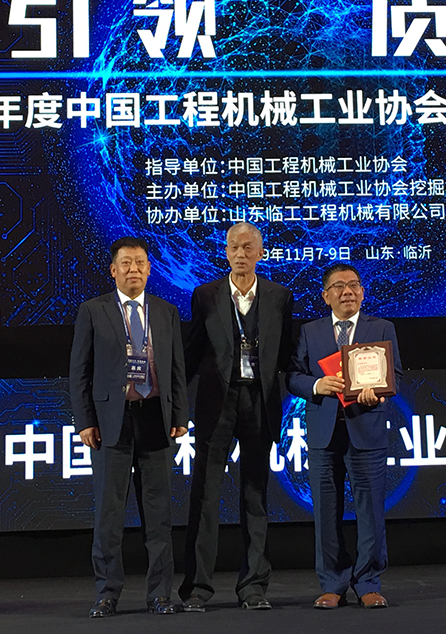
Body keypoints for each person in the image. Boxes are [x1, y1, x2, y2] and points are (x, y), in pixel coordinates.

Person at [69, 237, 188, 617]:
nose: (133, 269)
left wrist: (179, 416)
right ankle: (107, 593)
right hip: (111, 422)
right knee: (109, 514)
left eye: (140, 263)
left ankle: (160, 595)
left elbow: (176, 370)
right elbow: (79, 371)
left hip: (155, 418)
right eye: (126, 263)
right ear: (113, 270)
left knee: (159, 515)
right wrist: (85, 421)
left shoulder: (166, 312)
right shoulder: (93, 311)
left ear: (149, 269)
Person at [178, 222, 294, 612]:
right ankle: (197, 588)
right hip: (217, 404)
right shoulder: (205, 295)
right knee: (205, 496)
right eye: (233, 247)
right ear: (225, 252)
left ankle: (254, 587)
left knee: (255, 495)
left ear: (261, 253)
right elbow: (191, 354)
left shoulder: (279, 297)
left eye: (247, 247)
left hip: (259, 402)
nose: (240, 254)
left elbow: (286, 353)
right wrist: (172, 404)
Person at [287, 263, 403, 610]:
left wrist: (378, 394)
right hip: (323, 433)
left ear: (362, 293)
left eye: (354, 285)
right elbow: (293, 376)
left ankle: (368, 582)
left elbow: (394, 375)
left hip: (366, 428)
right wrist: (317, 385)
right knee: (326, 511)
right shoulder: (310, 331)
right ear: (326, 296)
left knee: (371, 512)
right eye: (338, 286)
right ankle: (332, 583)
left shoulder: (381, 328)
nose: (347, 292)